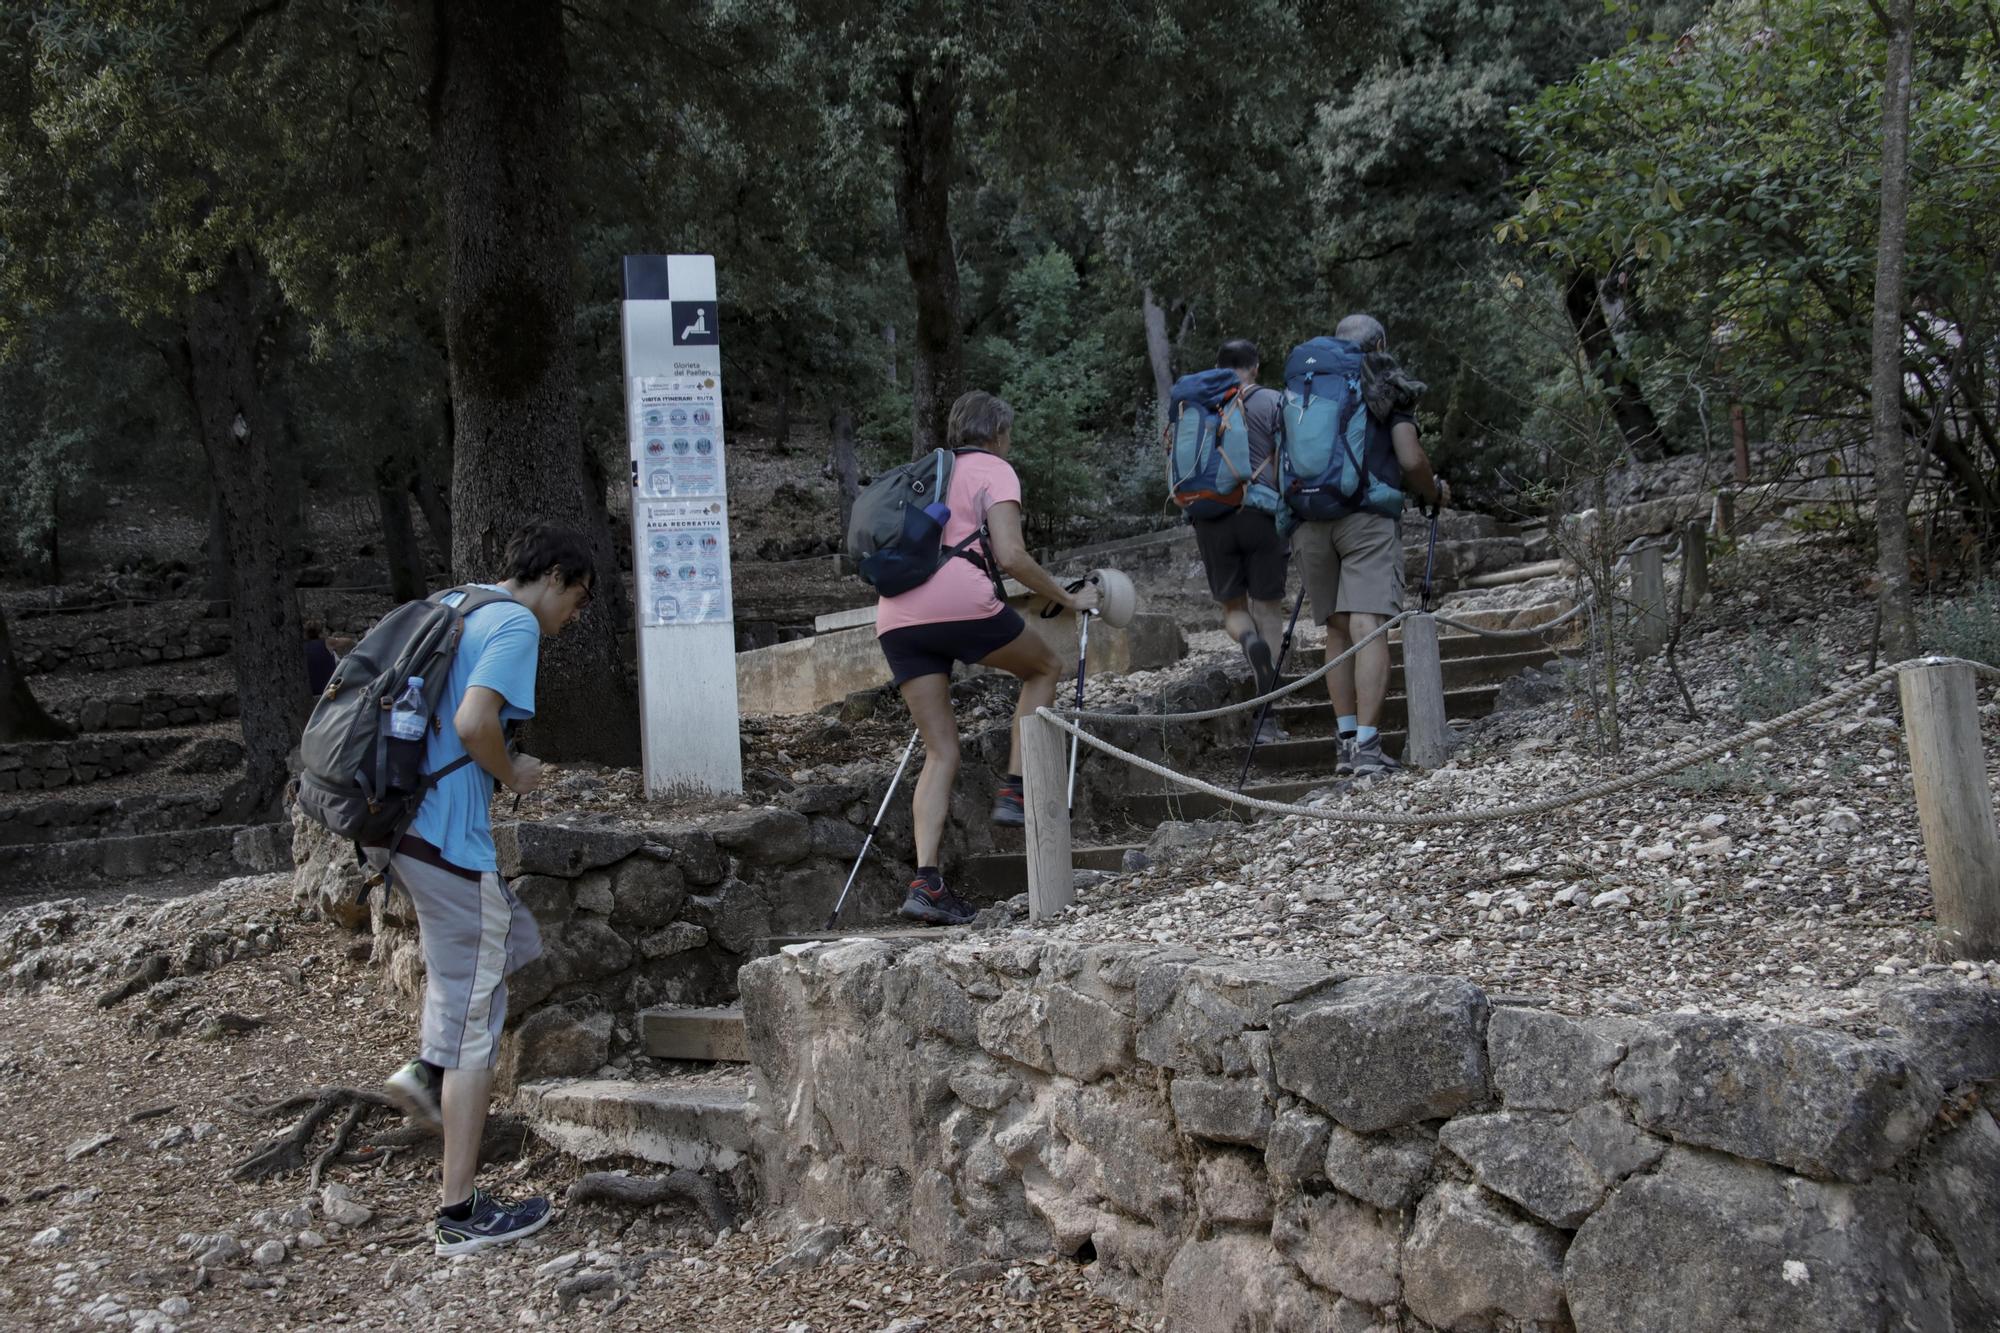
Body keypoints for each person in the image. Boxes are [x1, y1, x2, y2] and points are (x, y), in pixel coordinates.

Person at [371, 523, 595, 1256]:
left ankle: (429, 1072)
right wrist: (513, 771)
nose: (573, 618)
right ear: (556, 576)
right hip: (448, 839)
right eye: (578, 599)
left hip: (405, 830)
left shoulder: (458, 602)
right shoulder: (514, 625)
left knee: (506, 941)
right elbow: (473, 723)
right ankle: (459, 1212)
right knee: (476, 1020)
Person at [875, 390, 1099, 926]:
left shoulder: (928, 471)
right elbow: (1011, 554)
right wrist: (1067, 598)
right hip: (958, 598)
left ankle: (926, 885)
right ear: (999, 434)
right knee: (1044, 667)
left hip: (896, 614)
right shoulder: (994, 469)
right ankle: (1015, 790)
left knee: (941, 750)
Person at [1291, 314, 1449, 777]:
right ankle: (1367, 748)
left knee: (1337, 631)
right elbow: (1409, 456)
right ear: (1380, 342)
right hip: (1365, 516)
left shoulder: (1305, 381)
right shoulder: (1384, 381)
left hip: (1308, 517)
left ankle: (1344, 744)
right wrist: (1432, 489)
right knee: (1369, 625)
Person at [1188, 339, 1290, 739]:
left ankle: (1246, 639)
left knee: (1234, 609)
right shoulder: (1272, 402)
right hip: (1261, 514)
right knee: (1267, 610)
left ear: (1217, 366)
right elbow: (1287, 460)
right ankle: (1268, 715)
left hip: (1211, 517)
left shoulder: (1195, 403)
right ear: (1256, 368)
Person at [303, 620, 338, 697]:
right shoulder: (327, 642)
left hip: (310, 690)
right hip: (329, 689)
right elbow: (349, 641)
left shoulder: (302, 646)